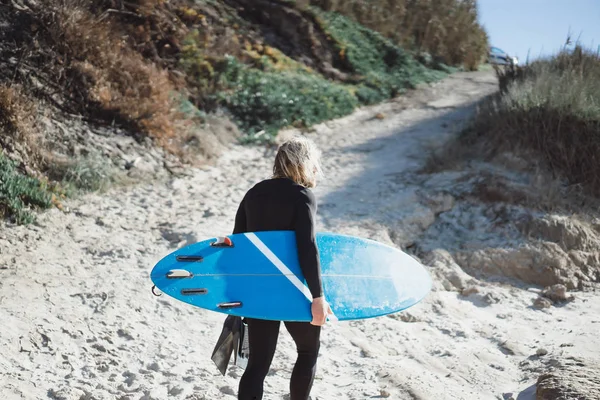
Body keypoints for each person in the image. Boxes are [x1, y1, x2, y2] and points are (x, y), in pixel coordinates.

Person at [232, 135, 334, 400]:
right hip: (293, 288)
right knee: (308, 352)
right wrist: (318, 297)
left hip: (259, 290)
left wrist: (240, 295)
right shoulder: (302, 196)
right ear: (305, 163)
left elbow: (239, 245)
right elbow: (307, 248)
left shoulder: (253, 193)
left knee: (257, 366)